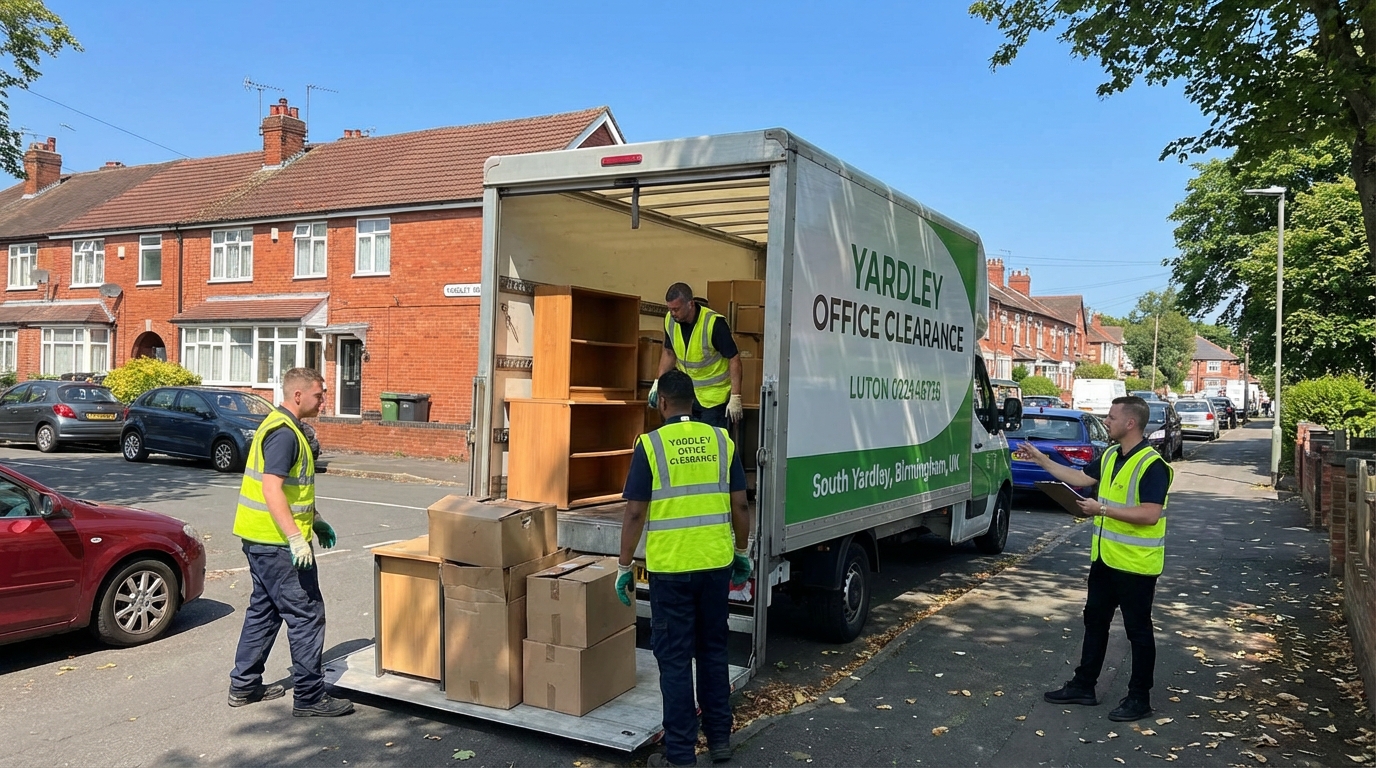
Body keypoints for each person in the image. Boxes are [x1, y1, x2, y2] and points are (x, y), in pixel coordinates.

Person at [616, 370, 753, 766]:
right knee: (712, 652)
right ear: (692, 401)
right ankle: (720, 740)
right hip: (715, 564)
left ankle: (679, 754)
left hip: (672, 569)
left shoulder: (650, 444)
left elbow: (635, 512)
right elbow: (740, 504)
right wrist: (741, 551)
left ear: (661, 403)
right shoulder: (722, 441)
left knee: (675, 660)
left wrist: (624, 565)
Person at [1014, 395, 1173, 722]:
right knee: (1095, 622)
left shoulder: (1153, 465)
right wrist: (1042, 460)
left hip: (1136, 566)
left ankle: (1139, 698)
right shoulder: (1112, 454)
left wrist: (1102, 509)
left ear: (1131, 423)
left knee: (1138, 632)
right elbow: (1081, 479)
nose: (1107, 421)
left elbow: (1150, 515)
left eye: (1112, 417)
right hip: (1105, 560)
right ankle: (1084, 685)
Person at [228, 367, 353, 717]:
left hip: (260, 538)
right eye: (319, 395)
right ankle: (310, 697)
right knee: (307, 613)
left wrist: (316, 520)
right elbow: (272, 489)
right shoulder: (284, 434)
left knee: (265, 610)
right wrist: (297, 539)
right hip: (279, 545)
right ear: (298, 395)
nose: (323, 401)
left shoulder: (281, 426)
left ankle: (244, 685)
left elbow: (292, 491)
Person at [652, 282, 744, 429]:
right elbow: (669, 353)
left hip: (714, 398)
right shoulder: (670, 320)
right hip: (687, 396)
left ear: (690, 304)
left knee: (710, 439)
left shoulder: (714, 323)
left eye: (676, 309)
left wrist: (735, 396)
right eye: (670, 309)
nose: (673, 313)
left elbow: (734, 358)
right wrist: (658, 383)